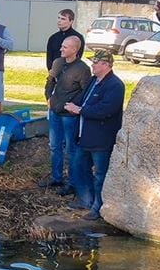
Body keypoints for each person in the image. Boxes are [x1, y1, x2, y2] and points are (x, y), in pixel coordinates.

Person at [64, 51, 125, 221]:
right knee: (80, 167)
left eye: (96, 63)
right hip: (85, 136)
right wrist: (73, 105)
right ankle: (86, 200)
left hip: (101, 139)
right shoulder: (93, 81)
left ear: (106, 65)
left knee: (100, 174)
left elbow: (106, 110)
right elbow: (83, 99)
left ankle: (98, 207)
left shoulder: (115, 85)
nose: (92, 65)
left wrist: (81, 110)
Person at [43, 34, 90, 192]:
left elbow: (85, 91)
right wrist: (48, 97)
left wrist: (72, 104)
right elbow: (50, 81)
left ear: (75, 50)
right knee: (54, 145)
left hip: (69, 116)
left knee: (71, 148)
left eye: (65, 47)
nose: (61, 49)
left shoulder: (82, 69)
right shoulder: (58, 63)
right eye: (62, 46)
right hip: (55, 111)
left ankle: (72, 182)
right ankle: (56, 178)